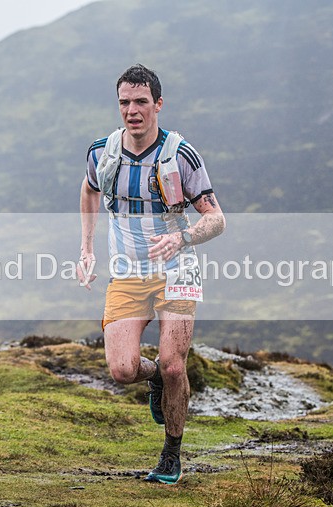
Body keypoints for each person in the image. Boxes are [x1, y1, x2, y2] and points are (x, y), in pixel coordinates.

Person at [78, 64, 226, 484]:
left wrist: (183, 240)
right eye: (124, 102)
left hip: (177, 269)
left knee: (174, 365)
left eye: (141, 101)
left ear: (158, 104)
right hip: (127, 273)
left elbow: (216, 219)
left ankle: (171, 453)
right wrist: (86, 247)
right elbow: (89, 189)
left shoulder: (180, 155)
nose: (132, 110)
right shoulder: (102, 153)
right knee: (123, 369)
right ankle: (154, 380)